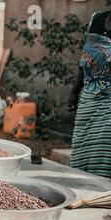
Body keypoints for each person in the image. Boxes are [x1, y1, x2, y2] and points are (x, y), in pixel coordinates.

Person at [67, 10, 111, 178]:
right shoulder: (97, 18)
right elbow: (86, 59)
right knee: (83, 142)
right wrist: (74, 92)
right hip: (89, 94)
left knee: (105, 145)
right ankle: (84, 180)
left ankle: (103, 188)